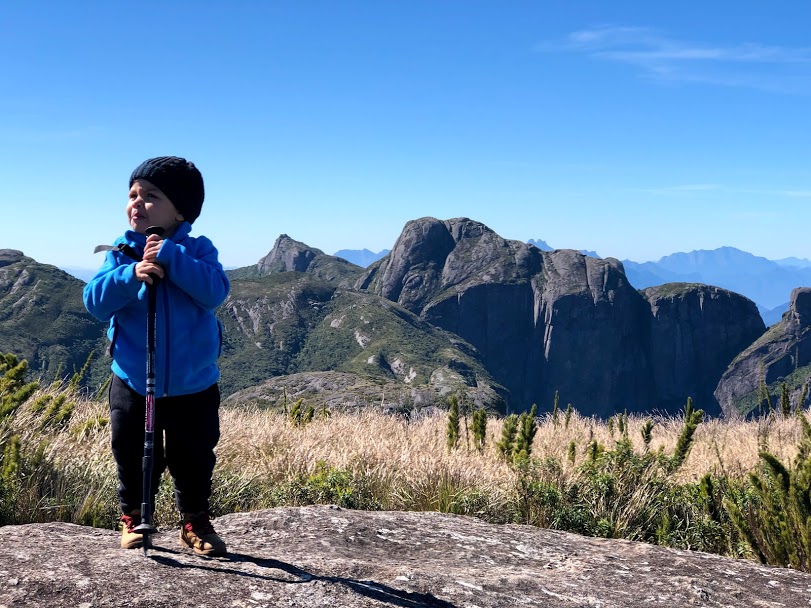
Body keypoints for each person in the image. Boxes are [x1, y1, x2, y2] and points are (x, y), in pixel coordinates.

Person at [83, 156, 230, 556]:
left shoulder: (198, 250)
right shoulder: (120, 253)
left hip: (193, 384)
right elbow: (94, 302)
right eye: (133, 195)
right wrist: (130, 275)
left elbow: (215, 292)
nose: (137, 202)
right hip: (132, 379)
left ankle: (195, 522)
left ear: (180, 209)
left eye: (151, 196)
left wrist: (171, 257)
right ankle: (133, 517)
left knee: (194, 456)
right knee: (130, 452)